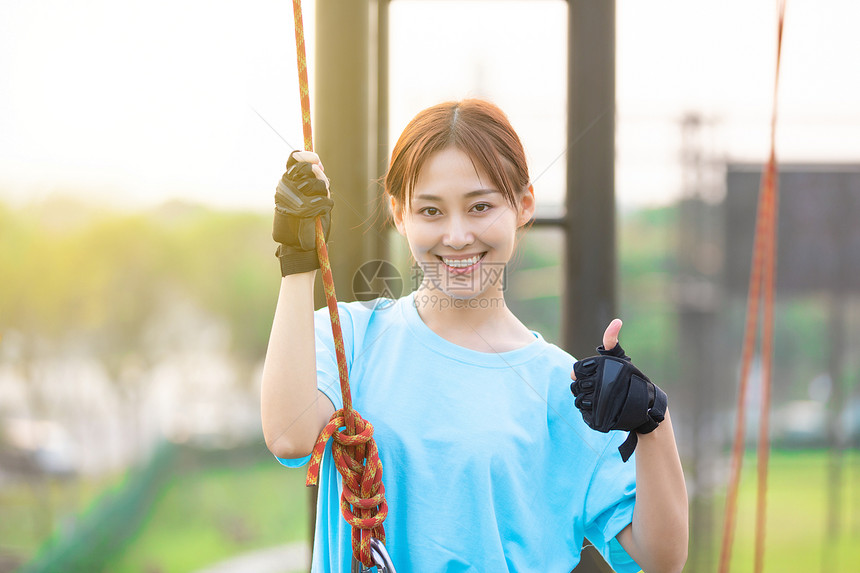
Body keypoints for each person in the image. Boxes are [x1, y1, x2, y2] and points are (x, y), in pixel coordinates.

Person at [261, 99, 688, 572]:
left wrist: (651, 419)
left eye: (480, 206)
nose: (458, 235)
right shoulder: (350, 336)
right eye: (431, 211)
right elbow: (288, 435)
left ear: (524, 204)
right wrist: (297, 259)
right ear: (399, 214)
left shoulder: (565, 388)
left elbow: (661, 559)